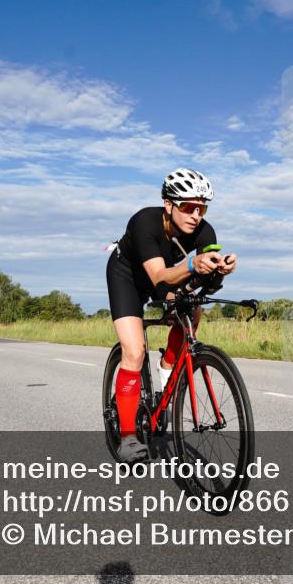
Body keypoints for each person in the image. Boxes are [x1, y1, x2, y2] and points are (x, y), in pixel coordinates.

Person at [106, 168, 237, 461]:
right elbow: (158, 275)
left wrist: (218, 271)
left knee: (194, 309)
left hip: (167, 278)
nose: (196, 215)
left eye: (201, 208)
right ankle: (128, 437)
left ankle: (168, 369)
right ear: (169, 205)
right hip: (128, 277)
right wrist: (192, 264)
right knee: (135, 350)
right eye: (189, 207)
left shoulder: (205, 231)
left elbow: (202, 285)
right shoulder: (144, 222)